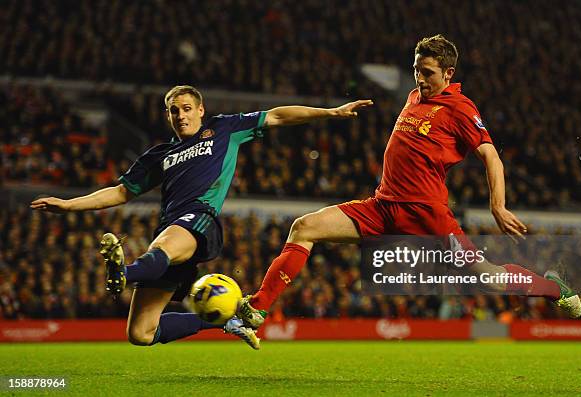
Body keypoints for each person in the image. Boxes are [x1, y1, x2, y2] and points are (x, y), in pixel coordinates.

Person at [238, 35, 581, 329]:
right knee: (305, 226)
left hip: (426, 216)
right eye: (416, 69)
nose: (419, 78)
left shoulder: (460, 108)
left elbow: (491, 156)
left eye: (427, 72)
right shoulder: (415, 97)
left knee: (487, 278)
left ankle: (552, 288)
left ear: (448, 73)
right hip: (382, 207)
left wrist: (498, 205)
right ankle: (258, 307)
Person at [31, 85, 373, 349]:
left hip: (200, 220)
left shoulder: (223, 130)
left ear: (200, 110)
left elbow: (278, 116)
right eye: (173, 111)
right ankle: (224, 320)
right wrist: (69, 204)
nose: (181, 115)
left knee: (162, 247)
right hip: (171, 231)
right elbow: (121, 192)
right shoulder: (159, 155)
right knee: (141, 333)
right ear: (168, 116)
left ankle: (123, 272)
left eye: (186, 109)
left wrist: (331, 112)